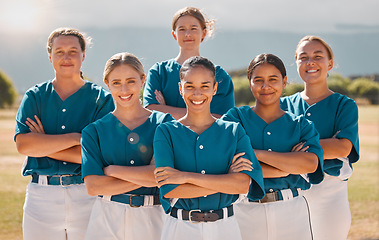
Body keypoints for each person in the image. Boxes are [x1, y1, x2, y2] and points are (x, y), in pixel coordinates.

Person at [14, 27, 114, 240]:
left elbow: (99, 157)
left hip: (86, 192)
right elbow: (24, 146)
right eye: (59, 51)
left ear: (83, 55)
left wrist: (44, 144)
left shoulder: (102, 99)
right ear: (50, 56)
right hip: (41, 196)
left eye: (73, 51)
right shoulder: (35, 96)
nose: (66, 57)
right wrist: (77, 138)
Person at [153, 56, 265, 240]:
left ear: (214, 89)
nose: (197, 93)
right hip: (181, 229)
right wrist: (226, 180)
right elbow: (171, 189)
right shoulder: (166, 132)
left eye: (205, 86)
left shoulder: (234, 131)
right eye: (189, 86)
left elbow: (243, 184)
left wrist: (186, 177)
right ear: (180, 89)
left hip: (225, 229)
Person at [222, 53, 324, 239]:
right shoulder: (235, 118)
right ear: (250, 82)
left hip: (291, 210)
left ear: (284, 82)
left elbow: (310, 164)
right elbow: (225, 163)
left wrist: (253, 154)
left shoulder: (299, 124)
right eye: (258, 80)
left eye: (273, 79)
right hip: (244, 210)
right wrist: (285, 166)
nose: (265, 86)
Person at [81, 52, 173, 240]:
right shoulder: (93, 131)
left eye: (131, 81)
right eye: (116, 83)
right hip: (106, 218)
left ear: (142, 80)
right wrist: (149, 175)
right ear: (107, 84)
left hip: (154, 217)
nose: (124, 89)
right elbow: (94, 186)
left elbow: (163, 176)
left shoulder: (164, 123)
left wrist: (112, 170)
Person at [280, 36, 360, 240]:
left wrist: (297, 149)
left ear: (330, 63)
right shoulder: (282, 106)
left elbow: (343, 148)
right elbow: (274, 146)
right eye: (303, 57)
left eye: (318, 56)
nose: (310, 62)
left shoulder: (344, 105)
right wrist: (325, 145)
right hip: (290, 192)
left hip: (330, 193)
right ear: (296, 63)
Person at [143, 7, 234, 119]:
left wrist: (165, 110)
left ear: (204, 33)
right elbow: (150, 110)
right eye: (181, 29)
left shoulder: (219, 76)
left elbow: (222, 119)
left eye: (193, 28)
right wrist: (203, 112)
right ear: (174, 34)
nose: (187, 34)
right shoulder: (159, 72)